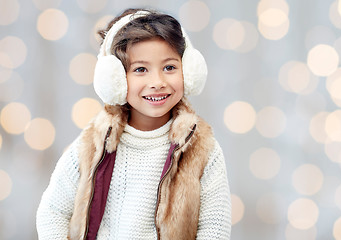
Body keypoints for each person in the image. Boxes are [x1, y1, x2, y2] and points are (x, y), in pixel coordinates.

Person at [36, 8, 231, 240]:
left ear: (188, 70)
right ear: (114, 79)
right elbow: (53, 212)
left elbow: (215, 228)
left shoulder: (202, 149)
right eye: (140, 69)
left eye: (169, 67)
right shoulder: (93, 145)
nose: (157, 82)